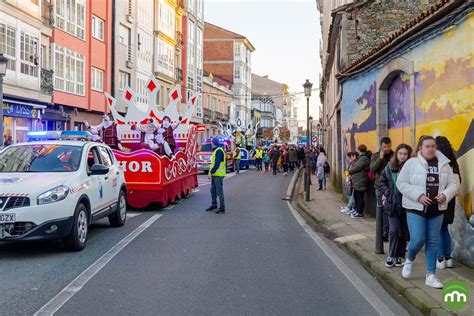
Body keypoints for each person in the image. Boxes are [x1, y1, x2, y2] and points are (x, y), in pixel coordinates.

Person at [397, 136, 459, 289]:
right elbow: (401, 183)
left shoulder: (444, 164)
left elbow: (453, 184)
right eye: (427, 146)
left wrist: (445, 195)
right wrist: (418, 196)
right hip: (415, 207)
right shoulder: (411, 163)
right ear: (421, 148)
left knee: (432, 241)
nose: (431, 149)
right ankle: (410, 259)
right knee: (417, 239)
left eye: (433, 146)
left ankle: (430, 276)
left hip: (436, 209)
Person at [380, 144, 412, 268]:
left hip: (406, 205)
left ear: (408, 155)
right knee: (394, 230)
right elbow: (381, 181)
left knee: (403, 231)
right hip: (392, 205)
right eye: (400, 153)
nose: (402, 156)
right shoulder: (389, 167)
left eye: (405, 154)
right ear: (396, 154)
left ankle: (400, 256)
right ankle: (391, 255)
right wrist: (387, 193)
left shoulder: (411, 168)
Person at [435, 136, 461, 270]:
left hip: (440, 198)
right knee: (445, 229)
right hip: (451, 200)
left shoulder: (439, 162)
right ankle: (448, 258)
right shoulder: (453, 162)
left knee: (439, 229)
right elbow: (457, 182)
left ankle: (440, 259)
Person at [370, 137, 394, 241]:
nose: (387, 149)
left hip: (391, 186)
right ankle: (382, 232)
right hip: (379, 186)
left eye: (388, 146)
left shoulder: (394, 155)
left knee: (390, 209)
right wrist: (380, 158)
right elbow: (372, 169)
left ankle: (387, 232)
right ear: (381, 146)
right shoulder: (375, 155)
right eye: (384, 147)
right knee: (381, 208)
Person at [349, 144, 371, 219]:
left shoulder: (363, 158)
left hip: (361, 180)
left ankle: (360, 213)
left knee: (359, 197)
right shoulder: (360, 158)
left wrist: (349, 171)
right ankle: (357, 210)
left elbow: (357, 167)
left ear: (359, 150)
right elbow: (355, 164)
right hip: (358, 181)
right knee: (356, 196)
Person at [206, 137, 226, 214]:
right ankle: (214, 204)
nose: (211, 144)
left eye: (211, 143)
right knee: (213, 190)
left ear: (214, 143)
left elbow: (217, 164)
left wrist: (211, 172)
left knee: (219, 191)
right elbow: (214, 163)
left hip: (218, 174)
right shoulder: (217, 150)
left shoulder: (219, 151)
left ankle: (222, 207)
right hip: (215, 174)